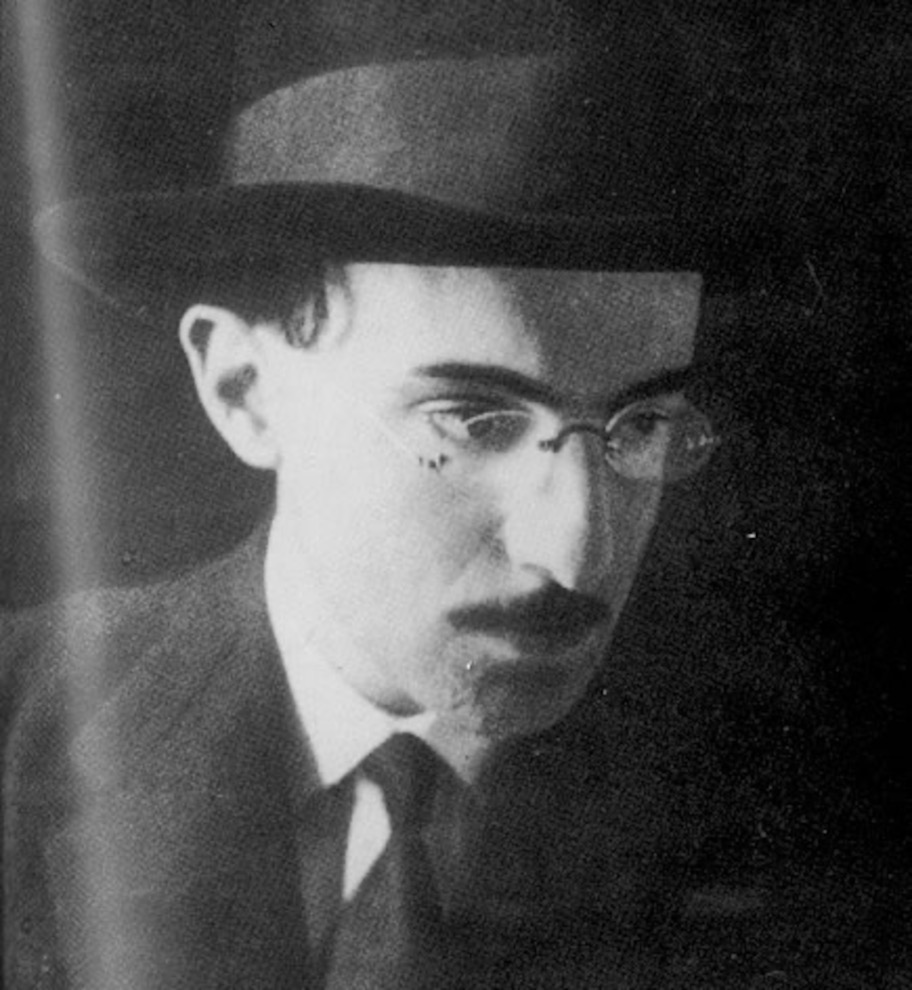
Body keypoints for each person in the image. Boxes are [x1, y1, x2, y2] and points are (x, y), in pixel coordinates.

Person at [2, 2, 907, 988]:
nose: (575, 553)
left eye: (641, 425)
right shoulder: (21, 723)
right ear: (244, 389)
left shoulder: (808, 815)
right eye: (476, 422)